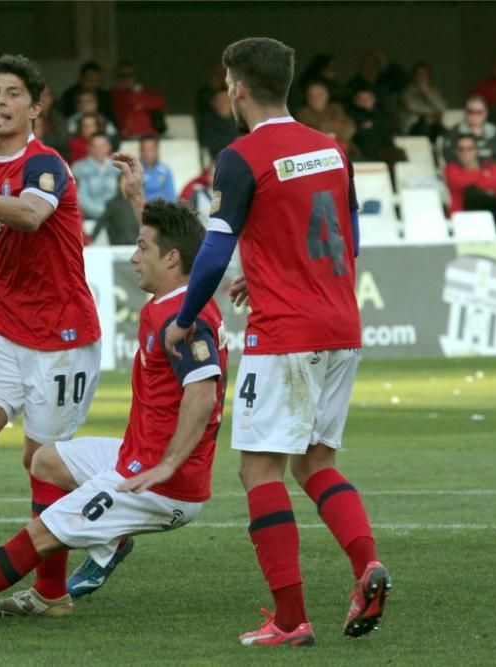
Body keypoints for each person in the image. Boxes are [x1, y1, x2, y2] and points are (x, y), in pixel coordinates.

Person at [0, 155, 228, 618]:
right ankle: (50, 594)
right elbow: (189, 247)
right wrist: (139, 200)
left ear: (171, 259)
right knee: (46, 461)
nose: (132, 256)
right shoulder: (179, 295)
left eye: (142, 247)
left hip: (162, 482)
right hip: (136, 456)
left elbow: (202, 394)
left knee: (39, 536)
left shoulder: (181, 320)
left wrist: (168, 467)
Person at [164, 37, 390, 647]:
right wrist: (265, 271)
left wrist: (186, 315)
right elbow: (351, 239)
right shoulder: (331, 149)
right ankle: (365, 564)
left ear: (237, 87)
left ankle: (290, 620)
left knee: (258, 469)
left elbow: (212, 247)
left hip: (286, 333)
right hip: (342, 326)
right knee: (316, 461)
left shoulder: (239, 156)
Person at [0, 54, 103, 617]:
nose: (3, 103)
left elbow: (30, 216)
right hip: (5, 330)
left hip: (63, 338)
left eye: (14, 94)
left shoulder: (47, 165)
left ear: (36, 106)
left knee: (43, 464)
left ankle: (53, 592)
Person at [444, 133, 496, 228]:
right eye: (461, 149)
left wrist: (471, 177)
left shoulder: (490, 164)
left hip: (495, 210)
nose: (465, 153)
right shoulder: (451, 168)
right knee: (472, 193)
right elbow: (460, 183)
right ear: (456, 151)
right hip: (464, 214)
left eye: (469, 148)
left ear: (476, 150)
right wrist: (482, 175)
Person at [443, 96, 496, 172]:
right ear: (465, 113)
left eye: (479, 112)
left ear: (485, 113)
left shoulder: (494, 131)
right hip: (466, 174)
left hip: (494, 175)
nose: (475, 116)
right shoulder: (455, 132)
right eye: (471, 112)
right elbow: (449, 156)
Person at [295, 80, 356, 156]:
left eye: (319, 95)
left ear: (327, 96)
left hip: (346, 153)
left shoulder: (336, 108)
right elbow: (316, 131)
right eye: (311, 96)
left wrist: (328, 130)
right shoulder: (303, 112)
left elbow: (350, 127)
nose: (315, 98)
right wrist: (335, 128)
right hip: (318, 154)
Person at [110, 61, 168, 139]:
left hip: (152, 134)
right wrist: (138, 98)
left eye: (130, 75)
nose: (127, 78)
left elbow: (160, 102)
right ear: (117, 77)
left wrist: (138, 94)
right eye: (123, 76)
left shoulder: (143, 91)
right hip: (129, 135)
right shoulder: (114, 94)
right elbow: (128, 101)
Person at [72, 132, 120, 221]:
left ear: (109, 147)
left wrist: (115, 213)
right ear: (89, 148)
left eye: (103, 146)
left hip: (117, 218)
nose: (99, 150)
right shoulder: (78, 168)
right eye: (95, 146)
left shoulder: (118, 168)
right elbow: (81, 198)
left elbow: (122, 196)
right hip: (89, 218)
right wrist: (104, 213)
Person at [399, 61, 447, 140]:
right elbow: (412, 107)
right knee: (424, 127)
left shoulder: (433, 91)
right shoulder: (407, 92)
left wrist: (428, 94)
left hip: (433, 126)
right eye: (419, 74)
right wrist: (434, 113)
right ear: (414, 76)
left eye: (425, 74)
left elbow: (443, 108)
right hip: (412, 128)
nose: (422, 77)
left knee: (446, 132)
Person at [90, 172, 140, 245]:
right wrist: (90, 240)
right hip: (117, 247)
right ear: (119, 184)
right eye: (124, 181)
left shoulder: (139, 203)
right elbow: (101, 222)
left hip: (135, 246)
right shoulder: (112, 204)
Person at [198, 87, 240, 164]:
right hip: (217, 161)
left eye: (227, 100)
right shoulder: (207, 120)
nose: (224, 103)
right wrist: (234, 139)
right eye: (220, 100)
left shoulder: (240, 119)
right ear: (213, 102)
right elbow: (206, 141)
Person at [140, 136, 177, 202]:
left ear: (157, 151)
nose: (147, 153)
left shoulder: (165, 171)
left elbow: (172, 196)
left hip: (163, 210)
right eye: (144, 150)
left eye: (151, 149)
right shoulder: (137, 171)